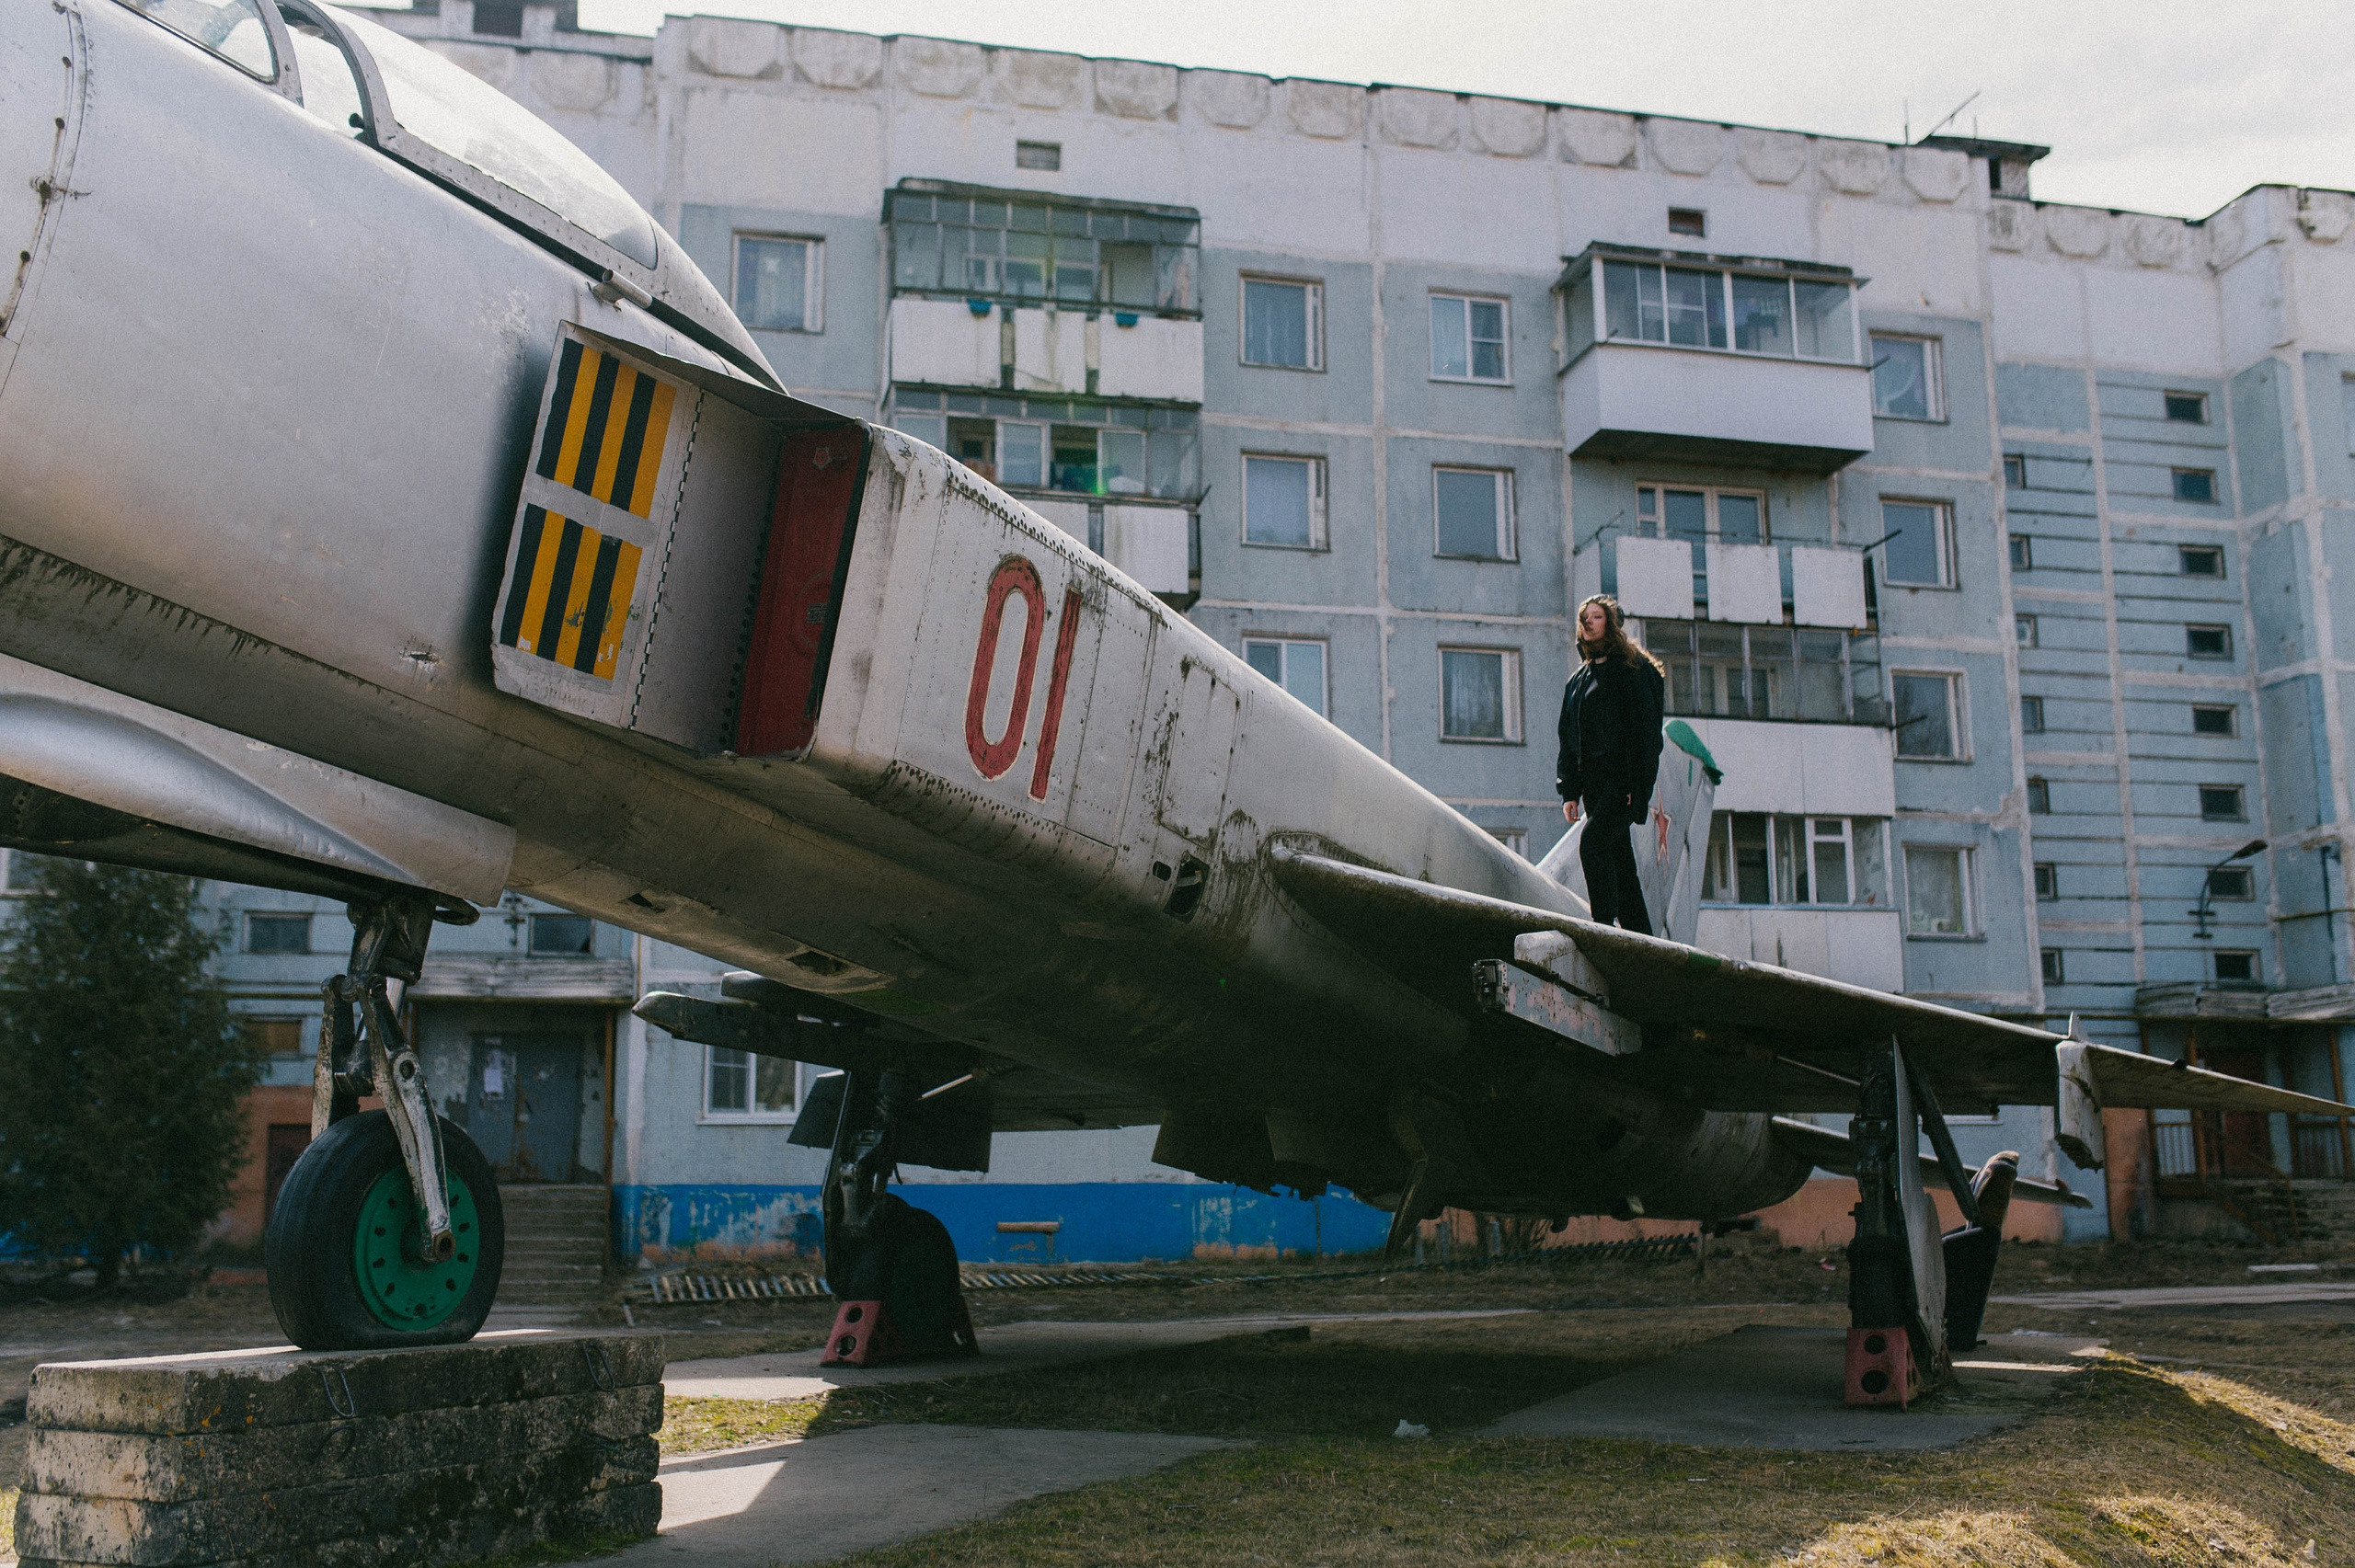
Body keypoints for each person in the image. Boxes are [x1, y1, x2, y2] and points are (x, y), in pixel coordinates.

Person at [1557, 594, 1667, 933]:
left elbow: (1648, 737)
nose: (1588, 622)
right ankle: (1644, 940)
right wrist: (1570, 791)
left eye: (1597, 617)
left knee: (1592, 843)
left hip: (1623, 783)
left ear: (1612, 624)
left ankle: (1602, 925)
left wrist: (1640, 788)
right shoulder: (1578, 681)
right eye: (1584, 617)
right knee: (1621, 864)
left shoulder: (1634, 672)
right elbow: (1568, 737)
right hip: (1594, 786)